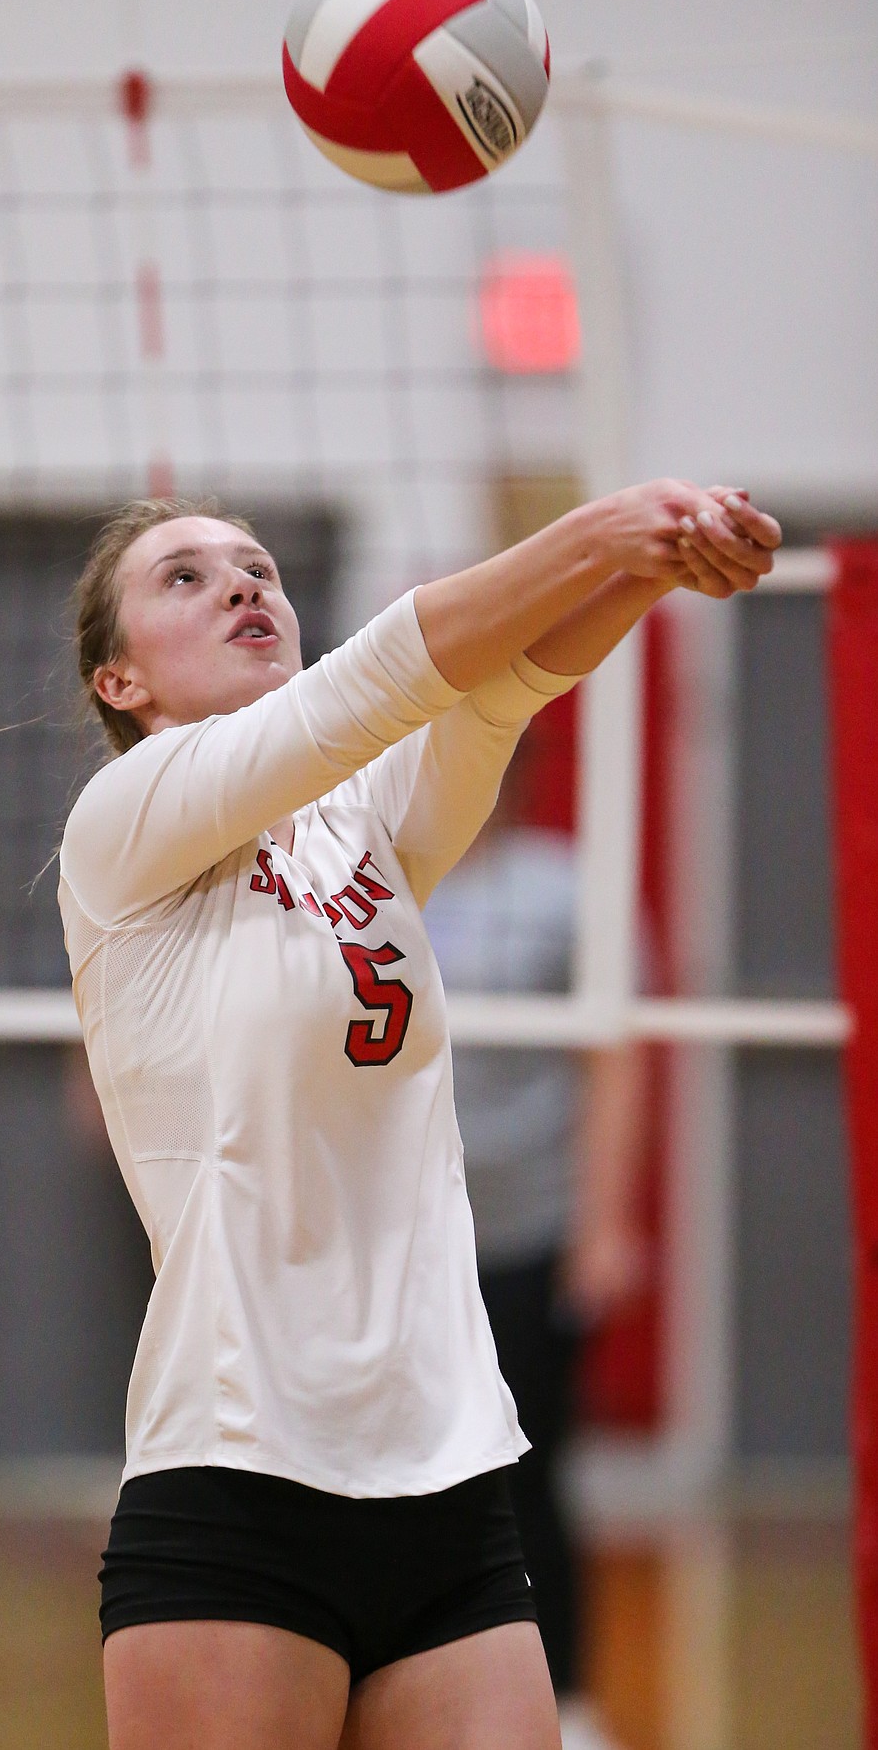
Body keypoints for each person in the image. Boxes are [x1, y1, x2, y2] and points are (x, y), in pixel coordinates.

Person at [57, 483, 779, 1750]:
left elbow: (497, 688)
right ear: (121, 684)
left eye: (258, 567)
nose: (243, 584)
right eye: (185, 577)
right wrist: (603, 528)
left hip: (448, 1478)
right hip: (240, 1482)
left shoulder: (356, 830)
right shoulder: (123, 828)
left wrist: (656, 564)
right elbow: (382, 676)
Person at [425, 742, 651, 1750]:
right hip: (405, 1249)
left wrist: (603, 1228)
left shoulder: (565, 893)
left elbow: (617, 1063)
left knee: (528, 1476)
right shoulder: (380, 890)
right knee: (401, 1487)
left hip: (528, 1234)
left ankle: (568, 1704)